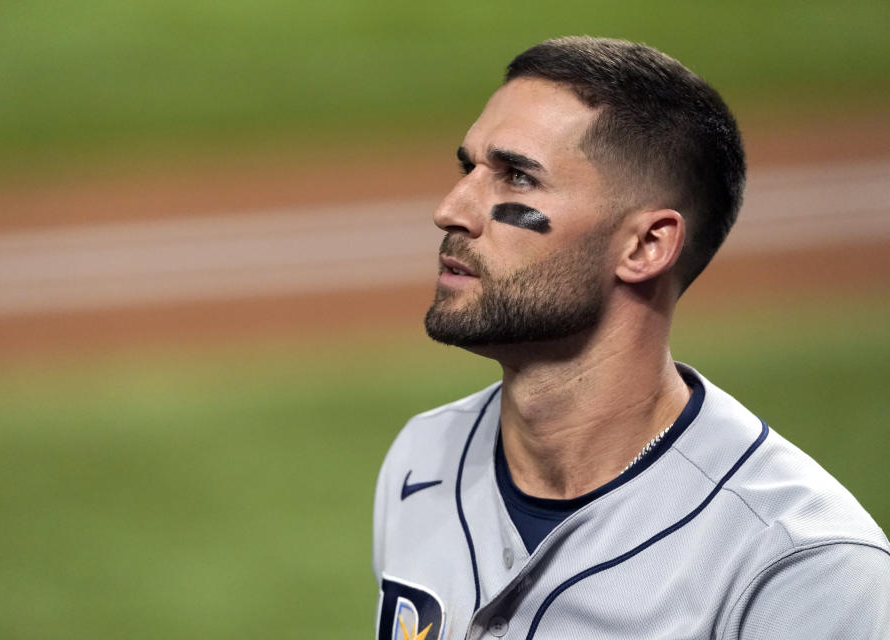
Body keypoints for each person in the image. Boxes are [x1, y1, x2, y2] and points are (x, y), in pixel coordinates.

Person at [372, 36, 889, 640]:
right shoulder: (424, 458)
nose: (451, 208)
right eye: (470, 168)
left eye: (517, 177)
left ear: (646, 246)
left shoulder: (797, 569)